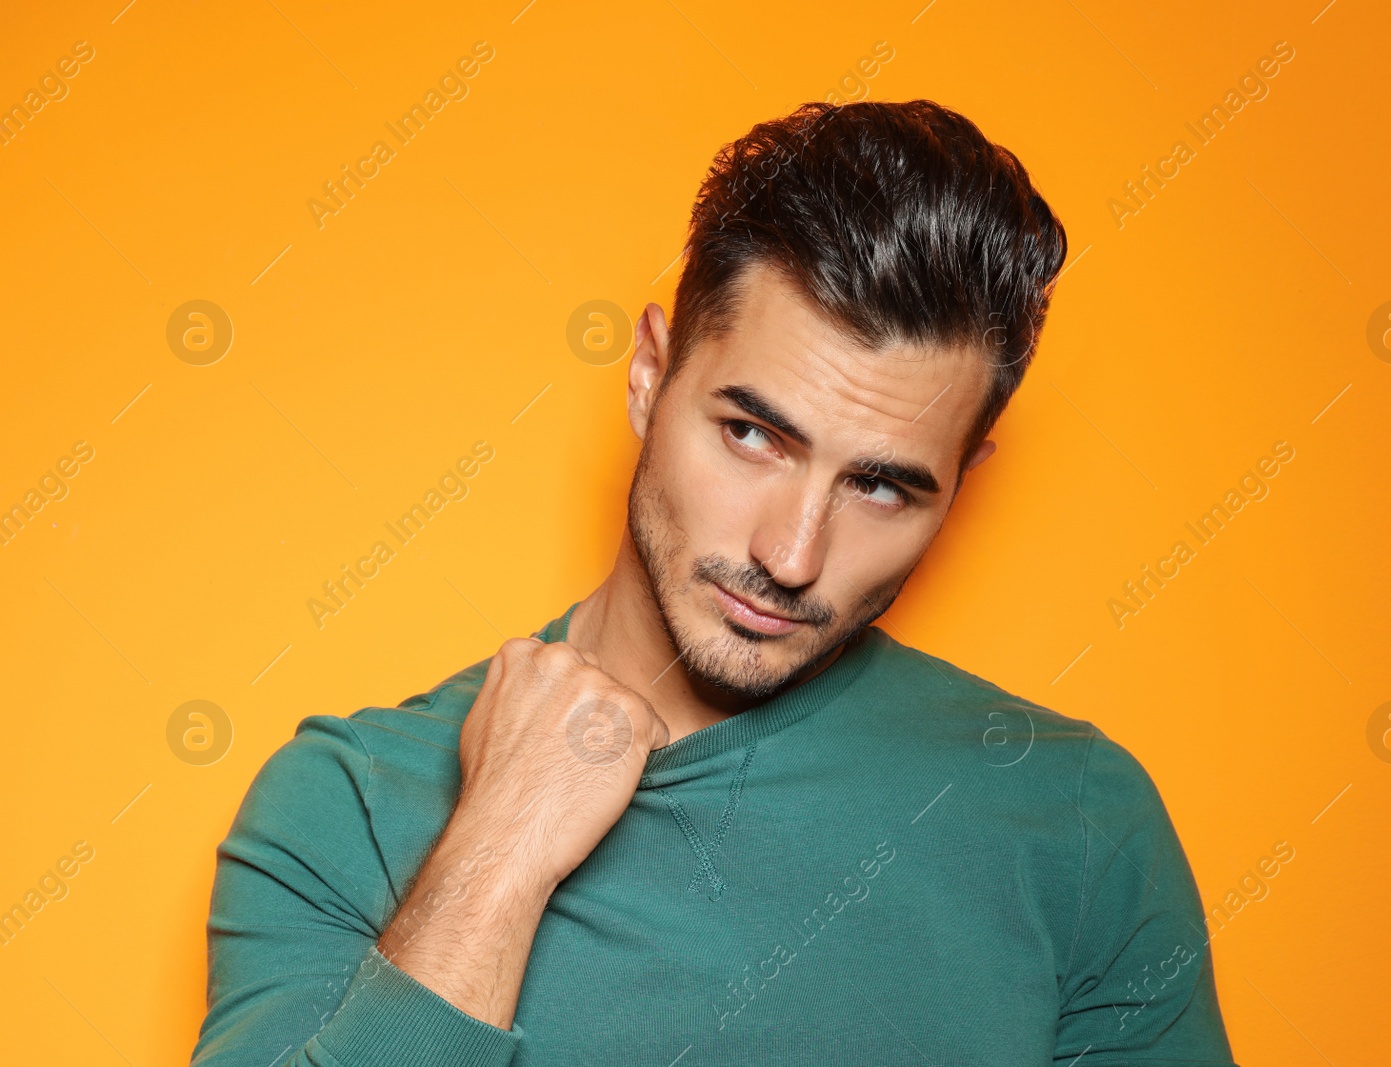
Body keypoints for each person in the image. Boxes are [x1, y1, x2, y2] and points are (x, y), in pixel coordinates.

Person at [191, 99, 1237, 1066]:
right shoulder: (352, 802)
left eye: (879, 486)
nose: (789, 555)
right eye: (752, 434)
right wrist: (496, 854)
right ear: (650, 373)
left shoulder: (1076, 816)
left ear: (962, 481)